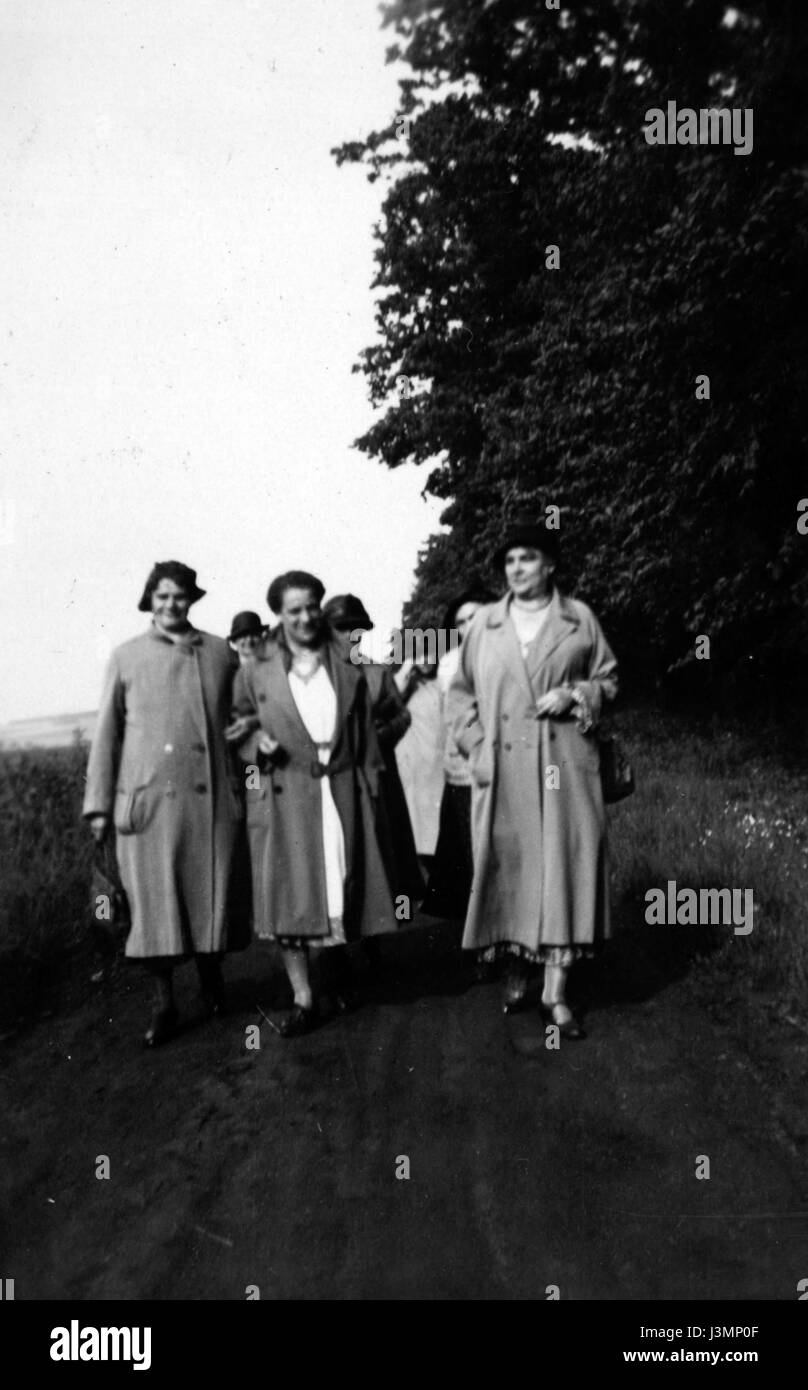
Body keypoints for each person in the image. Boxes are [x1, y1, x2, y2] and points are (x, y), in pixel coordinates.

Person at [447, 518, 618, 1039]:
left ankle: (556, 993)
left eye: (528, 557)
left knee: (565, 869)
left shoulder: (579, 618)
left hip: (565, 765)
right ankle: (517, 970)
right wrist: (479, 753)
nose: (517, 568)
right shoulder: (484, 626)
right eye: (510, 560)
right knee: (513, 872)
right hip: (503, 772)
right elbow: (460, 698)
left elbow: (608, 679)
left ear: (550, 565)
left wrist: (576, 695)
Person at [83, 561, 250, 1046]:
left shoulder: (220, 652)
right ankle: (164, 1003)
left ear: (191, 600)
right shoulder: (126, 657)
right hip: (148, 806)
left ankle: (213, 982)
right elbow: (106, 735)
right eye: (162, 597)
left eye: (179, 596)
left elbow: (244, 725)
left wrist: (251, 785)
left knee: (210, 899)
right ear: (149, 601)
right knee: (154, 909)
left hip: (211, 802)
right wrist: (98, 805)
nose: (171, 605)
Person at [231, 571, 400, 1036]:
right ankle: (303, 998)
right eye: (293, 610)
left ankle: (338, 971)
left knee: (339, 884)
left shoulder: (348, 660)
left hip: (341, 787)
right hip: (287, 793)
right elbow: (237, 725)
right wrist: (255, 743)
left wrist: (370, 764)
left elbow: (387, 714)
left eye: (311, 607)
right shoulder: (256, 669)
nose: (305, 617)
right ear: (278, 616)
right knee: (291, 894)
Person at [323, 593, 423, 908]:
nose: (350, 635)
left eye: (357, 629)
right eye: (341, 627)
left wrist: (381, 735)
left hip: (379, 770)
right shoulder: (312, 676)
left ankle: (385, 931)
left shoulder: (377, 672)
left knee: (387, 850)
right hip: (332, 775)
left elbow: (402, 715)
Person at [422, 588, 494, 921]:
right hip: (465, 772)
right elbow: (450, 718)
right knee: (472, 856)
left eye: (474, 615)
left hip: (511, 766)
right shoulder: (449, 663)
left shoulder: (510, 652)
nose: (468, 625)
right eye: (461, 621)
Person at [393, 647, 445, 867]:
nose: (426, 660)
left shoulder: (443, 681)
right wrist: (407, 668)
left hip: (438, 762)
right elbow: (390, 696)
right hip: (413, 762)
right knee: (415, 823)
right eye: (420, 654)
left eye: (430, 652)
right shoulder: (405, 683)